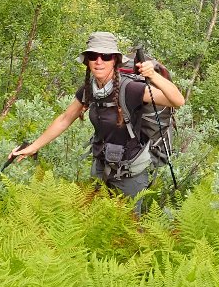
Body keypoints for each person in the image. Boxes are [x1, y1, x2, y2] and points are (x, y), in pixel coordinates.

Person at [11, 32, 185, 211]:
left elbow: (178, 101)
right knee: (98, 221)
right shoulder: (89, 90)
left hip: (130, 174)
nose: (99, 61)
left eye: (106, 56)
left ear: (115, 60)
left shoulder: (131, 88)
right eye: (93, 56)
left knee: (127, 232)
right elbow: (64, 119)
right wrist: (33, 147)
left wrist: (155, 77)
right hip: (101, 168)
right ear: (87, 61)